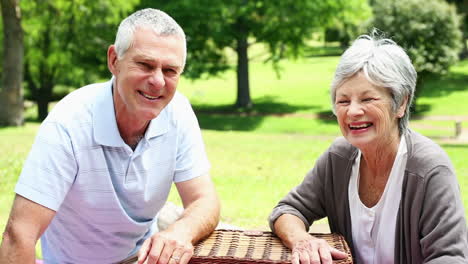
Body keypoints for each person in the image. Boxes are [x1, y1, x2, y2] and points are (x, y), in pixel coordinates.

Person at [0, 8, 220, 264]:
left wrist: (179, 232)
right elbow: (19, 235)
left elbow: (205, 200)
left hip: (142, 257)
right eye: (145, 65)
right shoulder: (70, 122)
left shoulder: (177, 112)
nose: (158, 81)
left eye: (170, 70)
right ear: (114, 60)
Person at [269, 33, 468, 264]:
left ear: (401, 103)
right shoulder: (339, 158)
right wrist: (302, 240)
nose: (352, 111)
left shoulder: (430, 169)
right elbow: (287, 210)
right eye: (343, 101)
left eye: (367, 99)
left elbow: (450, 258)